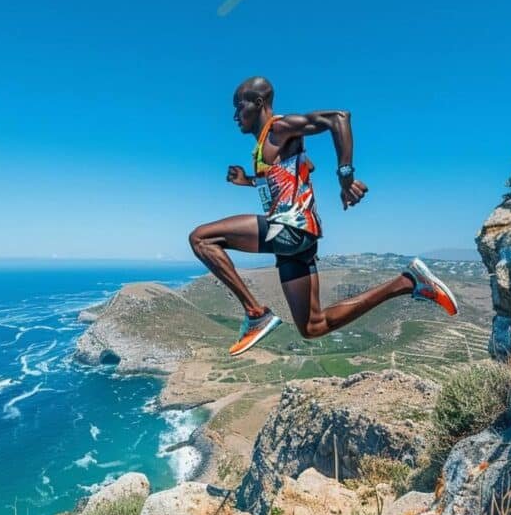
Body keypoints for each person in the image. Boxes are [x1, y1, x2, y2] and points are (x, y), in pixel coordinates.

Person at [188, 76, 459, 356]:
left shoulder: (278, 128)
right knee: (313, 326)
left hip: (289, 230)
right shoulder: (266, 146)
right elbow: (290, 180)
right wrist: (248, 181)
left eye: (238, 106)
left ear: (258, 103)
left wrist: (345, 175)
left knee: (201, 239)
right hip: (297, 240)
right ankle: (408, 282)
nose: (234, 115)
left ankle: (255, 313)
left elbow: (338, 118)